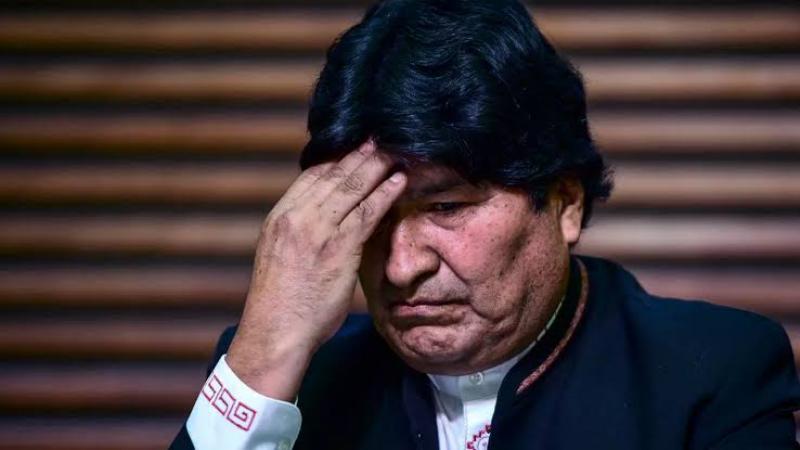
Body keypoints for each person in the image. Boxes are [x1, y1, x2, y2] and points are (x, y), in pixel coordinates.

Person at [170, 0, 800, 449]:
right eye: (373, 217)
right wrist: (264, 356)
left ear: (564, 203)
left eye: (446, 208)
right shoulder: (278, 377)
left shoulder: (711, 374)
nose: (401, 267)